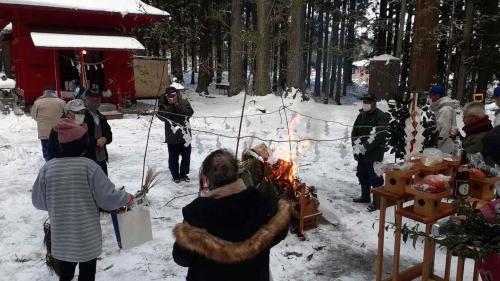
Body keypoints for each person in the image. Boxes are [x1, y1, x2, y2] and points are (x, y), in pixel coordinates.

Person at [32, 118, 133, 281]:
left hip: (62, 237)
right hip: (87, 237)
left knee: (65, 273)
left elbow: (38, 201)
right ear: (80, 144)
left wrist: (56, 203)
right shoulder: (89, 167)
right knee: (87, 273)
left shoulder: (48, 169)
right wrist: (125, 198)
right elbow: (107, 198)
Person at [172, 149, 290, 281]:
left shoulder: (196, 213)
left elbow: (181, 258)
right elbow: (281, 230)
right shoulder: (262, 203)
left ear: (206, 180)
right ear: (237, 172)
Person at [351, 94, 390, 212]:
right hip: (361, 154)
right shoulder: (361, 115)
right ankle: (365, 196)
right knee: (362, 174)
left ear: (374, 102)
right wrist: (356, 147)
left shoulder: (381, 116)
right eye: (364, 101)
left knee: (375, 177)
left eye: (368, 101)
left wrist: (366, 147)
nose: (365, 103)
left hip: (374, 153)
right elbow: (354, 132)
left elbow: (380, 135)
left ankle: (377, 201)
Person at [158, 86, 194, 183]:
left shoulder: (184, 102)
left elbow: (189, 113)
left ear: (177, 94)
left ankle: (184, 174)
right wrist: (170, 106)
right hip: (172, 137)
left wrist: (177, 105)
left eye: (174, 95)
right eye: (170, 95)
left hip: (185, 136)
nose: (172, 97)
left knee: (186, 157)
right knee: (173, 158)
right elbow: (161, 117)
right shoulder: (163, 105)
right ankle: (175, 175)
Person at [30, 85, 66, 161]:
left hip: (44, 131)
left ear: (44, 92)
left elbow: (33, 115)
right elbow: (66, 114)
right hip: (58, 130)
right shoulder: (61, 102)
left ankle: (48, 163)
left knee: (47, 150)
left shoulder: (38, 102)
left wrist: (41, 120)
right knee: (59, 149)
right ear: (54, 92)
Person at [82, 88, 112, 175]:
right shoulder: (82, 117)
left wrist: (105, 139)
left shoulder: (101, 117)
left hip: (101, 157)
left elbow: (109, 134)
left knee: (103, 183)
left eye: (97, 99)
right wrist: (95, 142)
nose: (95, 102)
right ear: (85, 100)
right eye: (92, 99)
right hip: (87, 158)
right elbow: (81, 137)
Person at [428, 85, 459, 154]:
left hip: (444, 149)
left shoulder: (445, 110)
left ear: (438, 96)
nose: (430, 97)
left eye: (431, 95)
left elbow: (444, 131)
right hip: (442, 148)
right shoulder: (440, 108)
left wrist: (433, 145)